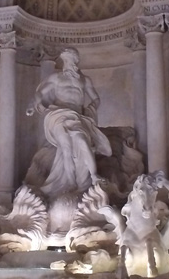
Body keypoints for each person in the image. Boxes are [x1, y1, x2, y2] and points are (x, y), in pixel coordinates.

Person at [25, 48, 112, 197]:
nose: (67, 63)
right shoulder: (56, 78)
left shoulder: (84, 80)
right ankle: (71, 182)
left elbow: (96, 99)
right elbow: (40, 93)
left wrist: (91, 109)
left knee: (82, 141)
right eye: (65, 61)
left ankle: (94, 176)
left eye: (69, 60)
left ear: (75, 61)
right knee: (65, 146)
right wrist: (33, 105)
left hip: (76, 116)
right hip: (58, 115)